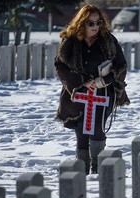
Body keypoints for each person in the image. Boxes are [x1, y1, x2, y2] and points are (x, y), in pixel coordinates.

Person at [54, 4, 129, 175]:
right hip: (77, 93)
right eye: (91, 23)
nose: (96, 27)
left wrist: (104, 80)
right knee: (81, 129)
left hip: (103, 92)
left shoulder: (108, 40)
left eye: (98, 22)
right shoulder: (70, 42)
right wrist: (80, 82)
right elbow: (60, 65)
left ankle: (98, 168)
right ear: (81, 23)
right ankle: (82, 170)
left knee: (96, 127)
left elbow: (121, 65)